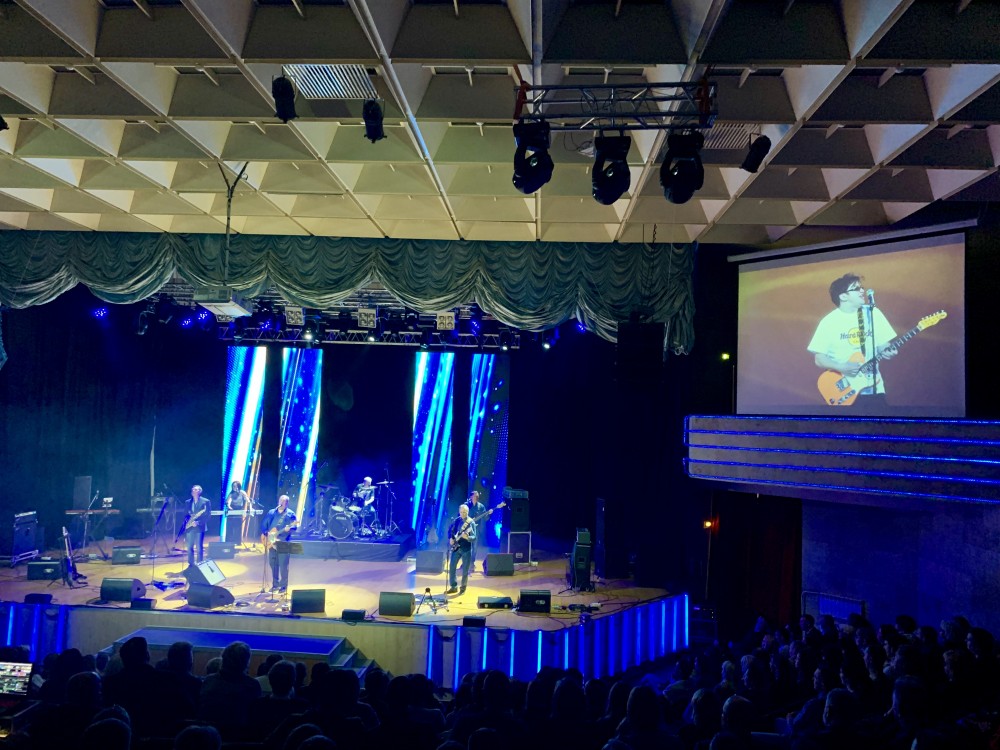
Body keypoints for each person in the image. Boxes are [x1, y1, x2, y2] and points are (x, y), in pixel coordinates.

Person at [807, 273, 897, 410]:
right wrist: (841, 367)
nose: (862, 291)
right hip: (844, 392)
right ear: (843, 296)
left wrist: (888, 350)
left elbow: (882, 346)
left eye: (862, 288)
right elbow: (819, 359)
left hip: (874, 388)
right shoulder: (828, 322)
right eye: (856, 289)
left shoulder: (873, 313)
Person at [260, 494, 297, 593]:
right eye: (281, 500)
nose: (282, 503)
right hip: (271, 542)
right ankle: (275, 584)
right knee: (273, 564)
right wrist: (265, 532)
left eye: (284, 501)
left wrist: (290, 528)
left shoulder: (290, 514)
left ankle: (283, 586)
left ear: (287, 503)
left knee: (283, 565)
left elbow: (295, 526)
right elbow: (264, 524)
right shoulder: (271, 512)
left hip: (283, 542)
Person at [446, 504, 476, 595]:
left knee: (465, 571)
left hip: (466, 549)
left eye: (464, 512)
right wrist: (450, 538)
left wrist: (467, 537)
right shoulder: (456, 520)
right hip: (456, 548)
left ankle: (463, 588)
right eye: (461, 512)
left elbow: (474, 537)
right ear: (459, 512)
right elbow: (450, 530)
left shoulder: (471, 522)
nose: (463, 514)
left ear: (468, 512)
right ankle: (453, 587)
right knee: (452, 567)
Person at [183, 485, 211, 567]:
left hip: (200, 527)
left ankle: (200, 564)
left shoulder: (206, 501)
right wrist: (188, 520)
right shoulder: (188, 502)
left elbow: (208, 516)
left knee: (199, 548)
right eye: (193, 489)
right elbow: (185, 514)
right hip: (190, 527)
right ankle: (191, 564)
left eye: (195, 489)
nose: (193, 490)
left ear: (199, 491)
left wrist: (198, 522)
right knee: (189, 547)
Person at [466, 490, 487, 572]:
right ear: (471, 497)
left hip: (475, 529)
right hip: (466, 529)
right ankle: (465, 562)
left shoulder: (481, 506)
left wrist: (488, 514)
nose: (477, 497)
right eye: (475, 495)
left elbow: (485, 518)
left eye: (477, 496)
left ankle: (472, 563)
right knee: (466, 546)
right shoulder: (466, 505)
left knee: (474, 547)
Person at [225, 480, 250, 545]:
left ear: (238, 486)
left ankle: (237, 542)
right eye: (233, 486)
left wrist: (248, 506)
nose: (234, 487)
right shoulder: (231, 493)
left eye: (235, 486)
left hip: (239, 509)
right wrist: (229, 506)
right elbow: (227, 501)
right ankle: (228, 542)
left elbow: (248, 500)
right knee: (230, 526)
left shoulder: (242, 492)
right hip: (232, 509)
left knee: (238, 526)